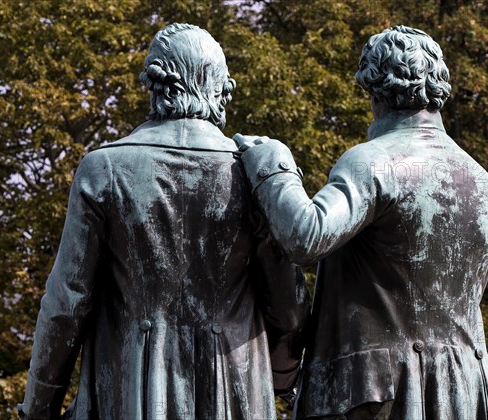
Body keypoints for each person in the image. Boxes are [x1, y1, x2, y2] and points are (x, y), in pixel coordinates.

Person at [18, 23, 309, 419]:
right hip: (237, 391)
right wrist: (280, 378)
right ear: (219, 89)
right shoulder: (252, 174)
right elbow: (289, 309)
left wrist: (39, 407)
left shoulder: (103, 170)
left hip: (130, 391)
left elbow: (66, 305)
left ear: (155, 84)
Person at [234, 25, 488, 419]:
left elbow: (305, 236)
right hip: (463, 392)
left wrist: (271, 164)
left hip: (376, 394)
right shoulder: (484, 184)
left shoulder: (374, 162)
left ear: (373, 87)